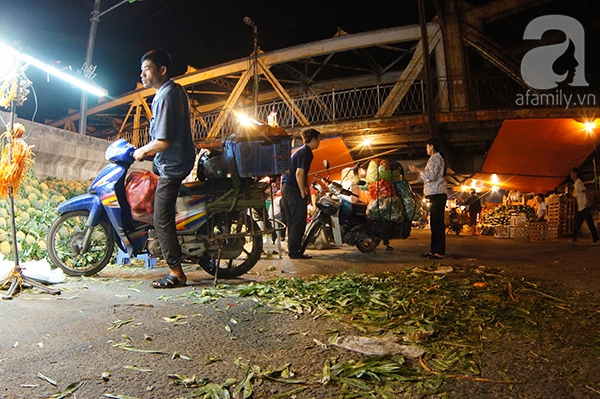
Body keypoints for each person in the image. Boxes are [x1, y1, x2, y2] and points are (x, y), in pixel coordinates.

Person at [133, 49, 196, 288]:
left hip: (172, 164)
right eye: (142, 70)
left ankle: (176, 272)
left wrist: (142, 151)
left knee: (161, 218)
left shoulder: (166, 95)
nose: (142, 74)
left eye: (147, 69)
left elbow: (164, 141)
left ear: (162, 69)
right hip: (175, 160)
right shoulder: (174, 90)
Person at [281, 129, 321, 259]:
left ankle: (293, 250)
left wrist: (307, 189)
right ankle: (294, 252)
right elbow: (299, 173)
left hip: (286, 186)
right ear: (314, 140)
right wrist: (302, 192)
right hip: (293, 188)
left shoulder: (301, 152)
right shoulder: (306, 152)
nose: (319, 142)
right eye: (318, 139)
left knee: (293, 221)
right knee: (298, 220)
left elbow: (305, 174)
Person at [409, 138, 447, 259]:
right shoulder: (434, 159)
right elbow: (427, 177)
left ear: (432, 146)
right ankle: (433, 250)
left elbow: (430, 176)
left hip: (437, 194)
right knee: (434, 223)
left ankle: (439, 252)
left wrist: (417, 170)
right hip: (434, 194)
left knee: (437, 224)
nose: (426, 149)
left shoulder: (435, 158)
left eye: (427, 146)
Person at [570, 168, 598, 243]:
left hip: (584, 206)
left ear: (575, 174)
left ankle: (595, 239)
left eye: (572, 173)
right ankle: (574, 238)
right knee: (577, 224)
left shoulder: (579, 182)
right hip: (581, 207)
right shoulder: (576, 183)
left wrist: (588, 201)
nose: (571, 175)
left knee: (589, 223)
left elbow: (586, 191)